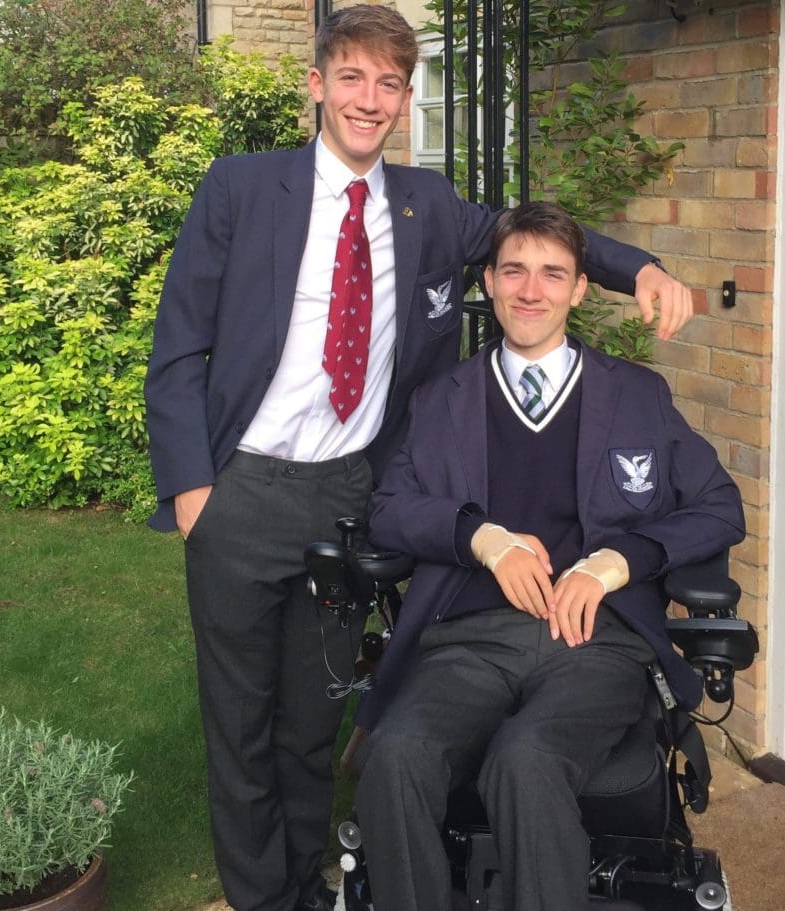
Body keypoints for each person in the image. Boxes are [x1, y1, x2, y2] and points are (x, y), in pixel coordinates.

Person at [144, 6, 695, 910]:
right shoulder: (241, 189)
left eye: (388, 84)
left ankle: (309, 881)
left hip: (351, 493)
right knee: (240, 724)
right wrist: (197, 491)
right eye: (351, 78)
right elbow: (177, 348)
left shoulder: (426, 205)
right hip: (241, 489)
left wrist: (640, 271)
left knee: (313, 720)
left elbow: (540, 242)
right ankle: (264, 898)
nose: (369, 100)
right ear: (316, 84)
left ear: (404, 99)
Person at [354, 202, 745, 911]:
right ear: (489, 281)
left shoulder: (635, 394)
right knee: (395, 755)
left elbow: (721, 506)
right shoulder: (443, 399)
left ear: (580, 288)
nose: (531, 290)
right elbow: (388, 508)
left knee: (526, 760)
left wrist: (617, 560)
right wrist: (481, 535)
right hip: (468, 640)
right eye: (515, 271)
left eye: (552, 273)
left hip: (596, 642)